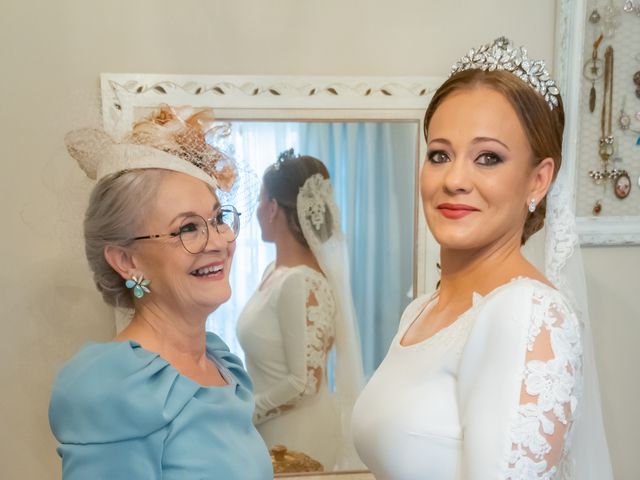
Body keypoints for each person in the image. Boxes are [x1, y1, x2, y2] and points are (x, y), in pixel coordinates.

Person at [352, 37, 613, 480]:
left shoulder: (526, 313)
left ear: (538, 179)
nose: (454, 179)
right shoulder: (422, 311)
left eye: (488, 158)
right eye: (440, 155)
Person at [49, 105, 273, 479]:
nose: (218, 240)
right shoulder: (116, 388)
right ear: (126, 260)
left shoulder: (220, 365)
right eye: (187, 229)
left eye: (218, 219)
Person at [236, 149, 364, 470]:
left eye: (260, 201)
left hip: (295, 440)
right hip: (269, 432)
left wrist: (244, 410)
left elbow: (304, 383)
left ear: (273, 208)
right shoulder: (272, 273)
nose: (257, 210)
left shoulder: (300, 282)